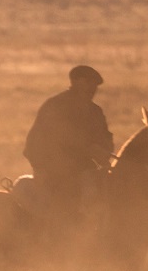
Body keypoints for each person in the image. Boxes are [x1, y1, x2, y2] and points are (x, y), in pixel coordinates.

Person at [23, 64, 116, 228]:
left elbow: (105, 139)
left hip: (87, 173)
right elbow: (36, 141)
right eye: (88, 83)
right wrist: (40, 168)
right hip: (55, 172)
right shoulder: (55, 107)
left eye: (94, 85)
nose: (93, 88)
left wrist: (104, 151)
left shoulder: (95, 112)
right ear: (76, 82)